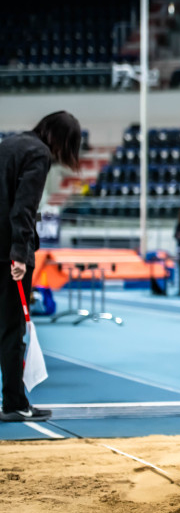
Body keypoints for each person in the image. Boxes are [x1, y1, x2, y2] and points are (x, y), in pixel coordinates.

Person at [1, 111, 81, 422]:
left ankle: (14, 400)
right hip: (8, 253)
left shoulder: (9, 144)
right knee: (11, 328)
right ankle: (14, 403)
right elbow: (24, 206)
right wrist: (20, 254)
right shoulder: (38, 153)